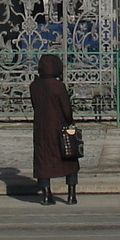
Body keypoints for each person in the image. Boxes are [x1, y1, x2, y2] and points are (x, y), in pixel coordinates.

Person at [29, 54, 78, 205]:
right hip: (59, 128)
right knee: (69, 159)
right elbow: (66, 110)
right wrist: (71, 122)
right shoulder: (58, 86)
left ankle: (46, 195)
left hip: (41, 129)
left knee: (43, 161)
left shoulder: (34, 86)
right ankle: (71, 195)